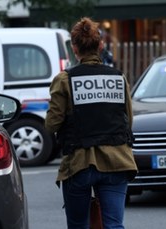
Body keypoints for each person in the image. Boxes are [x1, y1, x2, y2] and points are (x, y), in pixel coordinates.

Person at [45, 17, 138, 229]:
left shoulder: (64, 79)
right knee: (114, 225)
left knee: (79, 225)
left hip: (79, 164)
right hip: (117, 161)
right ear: (101, 45)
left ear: (74, 47)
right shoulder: (118, 77)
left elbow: (52, 124)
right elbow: (128, 120)